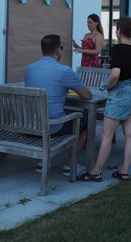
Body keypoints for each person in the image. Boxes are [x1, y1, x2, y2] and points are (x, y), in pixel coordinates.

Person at [78, 16, 131, 182]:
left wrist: (111, 86)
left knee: (106, 135)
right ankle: (124, 171)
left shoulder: (118, 49)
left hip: (120, 93)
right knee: (130, 135)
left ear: (118, 31)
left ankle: (95, 172)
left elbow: (115, 73)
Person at [25, 34, 92, 176]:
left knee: (55, 110)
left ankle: (42, 161)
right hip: (53, 126)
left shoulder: (30, 69)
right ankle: (70, 163)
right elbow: (87, 96)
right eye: (61, 47)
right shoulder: (64, 71)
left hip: (31, 125)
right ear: (57, 50)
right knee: (86, 119)